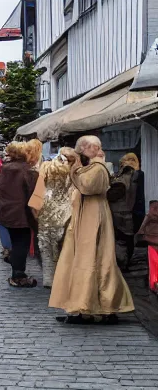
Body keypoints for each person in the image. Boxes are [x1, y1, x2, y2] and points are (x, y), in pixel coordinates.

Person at [51, 136, 135, 324]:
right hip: (86, 214)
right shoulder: (92, 167)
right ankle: (85, 307)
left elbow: (87, 187)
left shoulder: (98, 168)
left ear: (91, 148)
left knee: (95, 259)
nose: (80, 151)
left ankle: (104, 308)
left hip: (93, 215)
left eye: (83, 148)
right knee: (83, 258)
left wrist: (76, 166)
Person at [0, 141, 37, 287]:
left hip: (7, 211)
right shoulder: (27, 170)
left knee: (16, 241)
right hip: (22, 213)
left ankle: (15, 266)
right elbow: (32, 193)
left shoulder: (5, 168)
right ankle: (18, 275)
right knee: (21, 244)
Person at [35, 148, 76, 288]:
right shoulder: (74, 168)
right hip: (67, 209)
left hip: (47, 207)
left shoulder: (46, 166)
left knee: (45, 244)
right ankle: (63, 278)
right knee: (64, 244)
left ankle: (48, 278)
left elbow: (39, 189)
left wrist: (35, 210)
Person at [110, 153, 145, 271]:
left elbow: (115, 193)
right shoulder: (139, 175)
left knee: (121, 240)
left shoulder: (125, 176)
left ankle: (122, 264)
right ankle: (125, 262)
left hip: (121, 213)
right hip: (131, 213)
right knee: (128, 239)